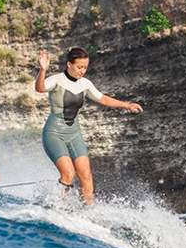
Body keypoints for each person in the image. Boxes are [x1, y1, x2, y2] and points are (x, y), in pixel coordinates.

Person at [35, 47, 143, 205]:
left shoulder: (85, 84)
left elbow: (103, 99)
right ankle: (56, 205)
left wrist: (127, 105)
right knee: (68, 173)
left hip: (74, 133)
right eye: (79, 67)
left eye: (85, 67)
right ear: (69, 64)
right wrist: (43, 70)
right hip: (54, 133)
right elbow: (40, 88)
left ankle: (88, 210)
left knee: (86, 175)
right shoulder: (57, 80)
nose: (82, 71)